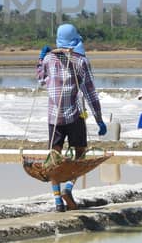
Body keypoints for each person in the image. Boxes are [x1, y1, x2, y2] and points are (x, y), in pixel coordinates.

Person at [38, 24, 106, 210]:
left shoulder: (49, 59)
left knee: (54, 158)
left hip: (54, 117)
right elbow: (90, 92)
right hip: (74, 116)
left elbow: (41, 80)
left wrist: (40, 60)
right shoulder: (80, 61)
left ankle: (58, 200)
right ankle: (68, 187)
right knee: (81, 153)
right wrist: (99, 119)